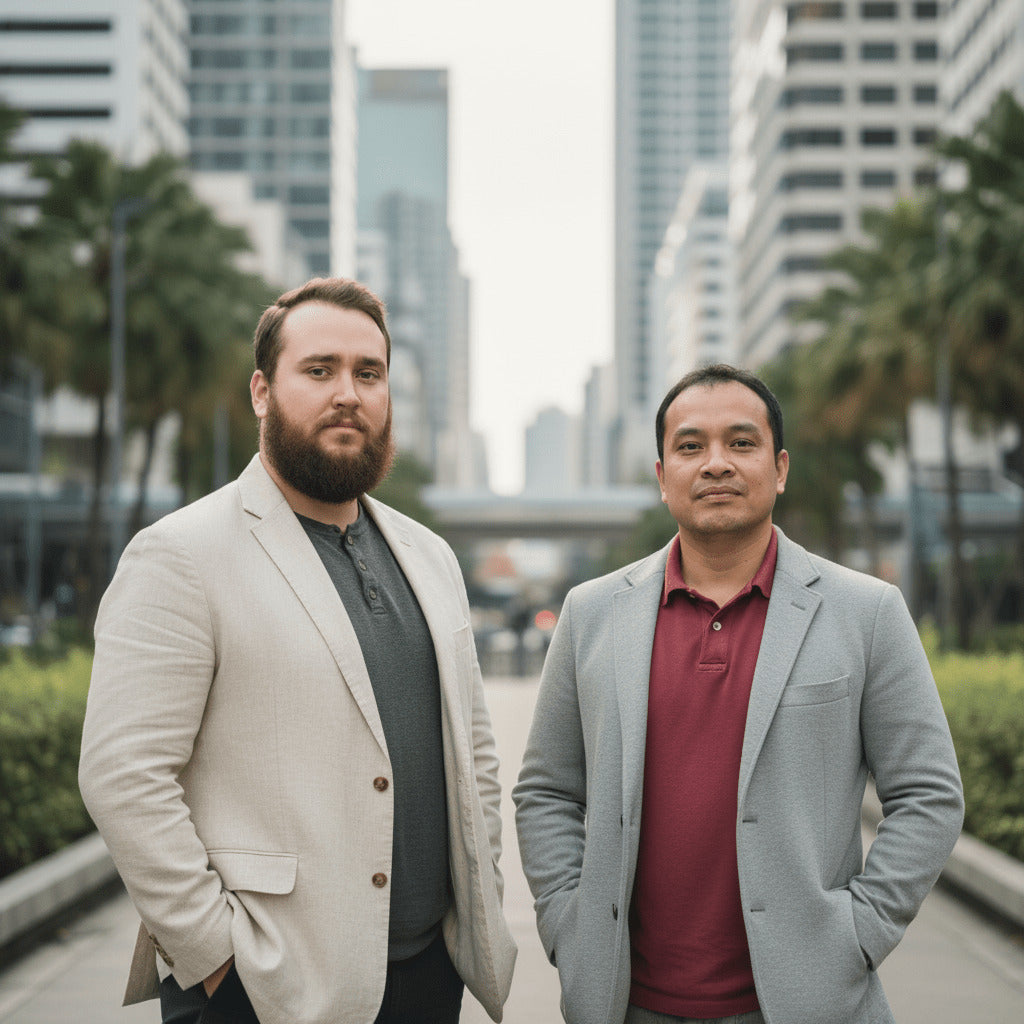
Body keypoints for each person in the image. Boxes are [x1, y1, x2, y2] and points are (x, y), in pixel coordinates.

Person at [80, 277, 516, 1024]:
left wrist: (475, 907)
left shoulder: (430, 555)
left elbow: (471, 749)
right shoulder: (180, 555)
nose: (348, 393)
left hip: (427, 979)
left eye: (367, 373)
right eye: (319, 371)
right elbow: (123, 775)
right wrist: (216, 959)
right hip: (265, 989)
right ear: (262, 391)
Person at [513, 364, 963, 1024]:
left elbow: (929, 793)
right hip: (624, 1004)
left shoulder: (866, 611)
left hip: (808, 1002)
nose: (717, 463)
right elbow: (546, 790)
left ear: (779, 468)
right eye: (691, 446)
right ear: (663, 477)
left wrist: (857, 936)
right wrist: (567, 926)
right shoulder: (592, 613)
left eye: (742, 442)